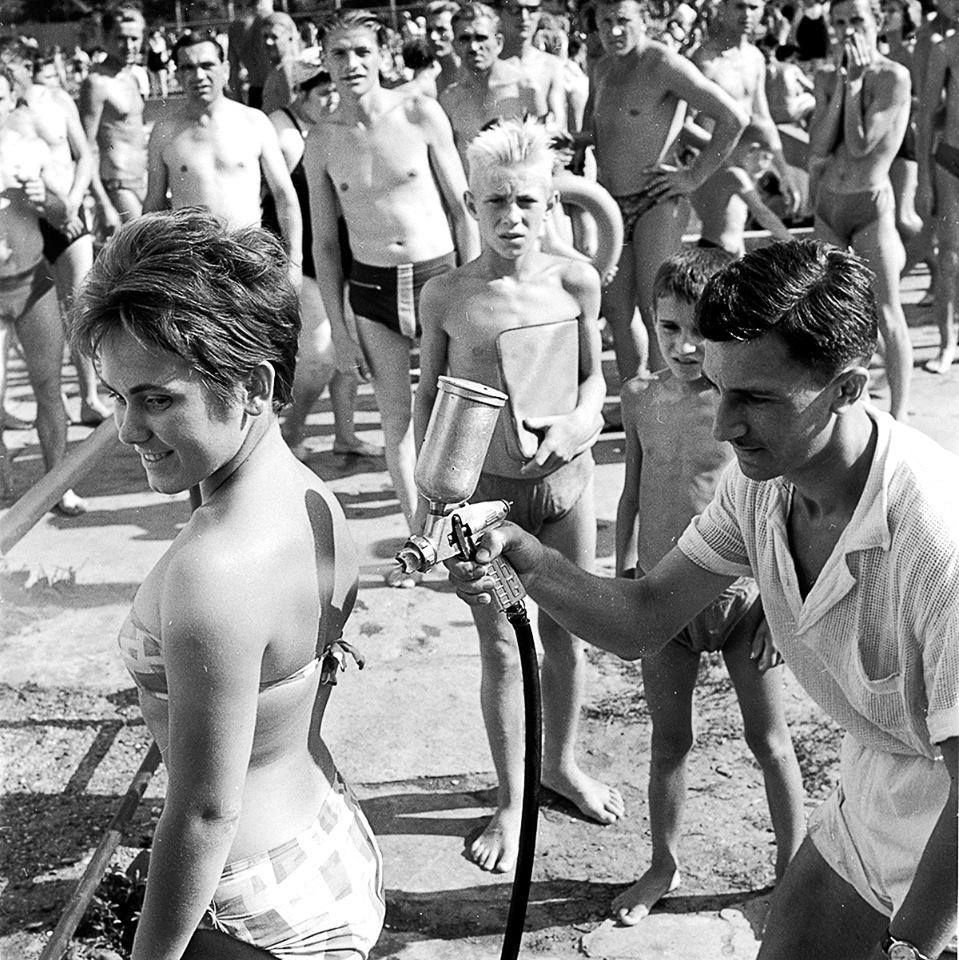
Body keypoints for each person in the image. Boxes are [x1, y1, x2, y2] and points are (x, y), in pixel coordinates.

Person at [449, 239, 957, 960]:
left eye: (756, 398)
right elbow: (643, 618)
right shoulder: (760, 487)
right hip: (877, 785)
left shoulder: (938, 537)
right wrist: (529, 561)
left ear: (846, 388)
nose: (723, 425)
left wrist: (909, 953)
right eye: (720, 388)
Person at [69, 207, 385, 960]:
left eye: (157, 398)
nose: (127, 429)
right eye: (116, 395)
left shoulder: (214, 570)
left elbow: (206, 813)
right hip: (325, 836)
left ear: (253, 385)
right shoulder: (309, 494)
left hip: (248, 896)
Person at [416, 118, 624, 873]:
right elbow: (427, 401)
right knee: (504, 646)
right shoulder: (446, 295)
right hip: (486, 506)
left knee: (568, 634)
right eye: (496, 201)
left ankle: (559, 765)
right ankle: (512, 800)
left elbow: (594, 378)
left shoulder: (575, 281)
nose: (512, 218)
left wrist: (580, 422)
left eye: (527, 202)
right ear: (471, 204)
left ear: (550, 204)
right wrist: (428, 507)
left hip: (566, 490)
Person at [611, 246, 804, 924]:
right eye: (669, 328)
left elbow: (779, 503)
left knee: (769, 740)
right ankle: (662, 865)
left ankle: (792, 873)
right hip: (664, 599)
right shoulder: (639, 398)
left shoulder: (741, 403)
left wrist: (780, 609)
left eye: (700, 331)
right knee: (669, 742)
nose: (685, 346)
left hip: (745, 600)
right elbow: (631, 492)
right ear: (650, 323)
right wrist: (623, 575)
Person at [303, 10, 479, 568]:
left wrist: (473, 288)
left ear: (382, 54)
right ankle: (421, 541)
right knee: (396, 423)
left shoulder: (419, 113)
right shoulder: (321, 141)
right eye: (339, 53)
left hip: (436, 280)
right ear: (324, 60)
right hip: (372, 290)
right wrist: (340, 329)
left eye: (362, 51)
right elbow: (324, 244)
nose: (351, 64)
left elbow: (463, 210)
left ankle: (473, 533)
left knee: (456, 414)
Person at [576, 0, 748, 381]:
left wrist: (693, 175)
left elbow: (733, 118)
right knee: (618, 313)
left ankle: (668, 401)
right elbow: (595, 131)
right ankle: (635, 399)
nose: (614, 31)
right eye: (606, 22)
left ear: (644, 19)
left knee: (658, 309)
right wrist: (571, 144)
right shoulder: (601, 68)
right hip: (611, 205)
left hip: (657, 200)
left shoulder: (663, 64)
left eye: (623, 20)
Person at [265, 64, 383, 460]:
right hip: (303, 259)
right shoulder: (283, 132)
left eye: (336, 90)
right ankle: (292, 428)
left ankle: (345, 434)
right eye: (322, 92)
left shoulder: (346, 128)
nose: (332, 99)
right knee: (318, 355)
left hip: (348, 256)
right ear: (300, 93)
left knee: (348, 349)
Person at [809, 0, 913, 420]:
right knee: (833, 311)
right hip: (828, 206)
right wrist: (841, 86)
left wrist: (853, 87)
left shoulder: (893, 76)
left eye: (856, 20)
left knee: (887, 312)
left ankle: (900, 416)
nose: (847, 30)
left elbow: (860, 145)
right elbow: (818, 145)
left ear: (877, 22)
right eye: (838, 23)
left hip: (870, 205)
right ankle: (850, 407)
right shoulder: (825, 75)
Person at [1, 36, 108, 436]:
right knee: (21, 311)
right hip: (22, 223)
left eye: (14, 64)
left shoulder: (57, 101)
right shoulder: (5, 114)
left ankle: (89, 395)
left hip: (66, 213)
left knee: (79, 303)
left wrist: (76, 200)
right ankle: (25, 398)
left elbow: (85, 154)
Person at [144, 31, 302, 289]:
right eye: (188, 68)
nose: (198, 76)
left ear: (225, 69)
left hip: (248, 258)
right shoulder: (165, 131)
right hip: (194, 265)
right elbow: (154, 205)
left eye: (207, 65)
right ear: (177, 75)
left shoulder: (254, 122)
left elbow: (284, 196)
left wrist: (295, 264)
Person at [0, 65, 82, 515]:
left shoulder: (28, 148)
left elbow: (64, 214)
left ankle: (57, 486)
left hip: (32, 282)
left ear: (10, 100)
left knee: (49, 387)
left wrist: (43, 198)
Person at [691, 0, 803, 219]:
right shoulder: (705, 61)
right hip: (711, 171)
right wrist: (716, 159)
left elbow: (763, 118)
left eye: (753, 7)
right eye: (739, 6)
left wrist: (784, 172)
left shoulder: (755, 57)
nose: (747, 14)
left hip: (744, 171)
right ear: (723, 8)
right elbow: (685, 124)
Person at [440, 3, 545, 163]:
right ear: (455, 45)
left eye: (481, 38)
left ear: (498, 42)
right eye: (465, 39)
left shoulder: (525, 90)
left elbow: (545, 159)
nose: (474, 47)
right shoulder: (449, 99)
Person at [80, 4, 149, 232]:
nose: (129, 46)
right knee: (144, 244)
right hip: (118, 185)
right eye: (121, 38)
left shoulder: (133, 76)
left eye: (134, 38)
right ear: (105, 38)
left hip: (143, 181)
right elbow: (86, 148)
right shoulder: (96, 83)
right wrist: (103, 203)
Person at [917, 23, 958, 373]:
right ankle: (947, 343)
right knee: (949, 257)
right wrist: (923, 178)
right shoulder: (945, 48)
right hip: (951, 159)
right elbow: (927, 116)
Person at [690, 123, 793, 256]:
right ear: (752, 149)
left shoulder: (714, 171)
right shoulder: (736, 175)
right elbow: (763, 214)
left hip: (710, 246)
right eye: (766, 158)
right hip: (722, 251)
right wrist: (792, 242)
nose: (766, 167)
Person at [495, 0, 567, 127]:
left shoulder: (551, 65)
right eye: (514, 9)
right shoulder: (487, 64)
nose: (524, 17)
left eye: (532, 10)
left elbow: (558, 123)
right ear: (499, 13)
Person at [227, 0, 275, 108]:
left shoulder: (235, 28)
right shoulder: (274, 21)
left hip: (263, 90)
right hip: (266, 89)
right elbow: (233, 67)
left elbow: (233, 70)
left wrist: (237, 99)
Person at [261, 11, 299, 116]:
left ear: (290, 37)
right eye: (265, 36)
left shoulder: (287, 69)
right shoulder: (278, 68)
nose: (268, 42)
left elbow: (292, 112)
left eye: (274, 37)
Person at [425, 0, 463, 95]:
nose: (433, 37)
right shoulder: (433, 83)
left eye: (441, 30)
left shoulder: (475, 77)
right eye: (429, 30)